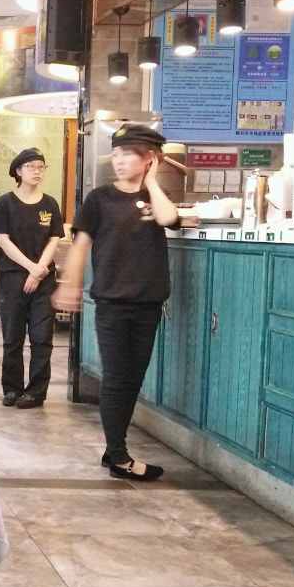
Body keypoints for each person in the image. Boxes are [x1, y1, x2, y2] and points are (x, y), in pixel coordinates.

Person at [54, 123, 181, 481]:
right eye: (116, 154)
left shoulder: (154, 198)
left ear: (149, 159)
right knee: (116, 378)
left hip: (148, 303)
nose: (119, 161)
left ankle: (114, 450)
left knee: (132, 379)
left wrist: (152, 182)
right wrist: (69, 286)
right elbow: (80, 246)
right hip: (112, 303)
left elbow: (170, 219)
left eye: (128, 154)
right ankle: (120, 457)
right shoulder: (99, 199)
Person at [0, 148, 64, 409]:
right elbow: (3, 240)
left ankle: (36, 392)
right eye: (31, 166)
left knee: (42, 338)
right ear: (18, 171)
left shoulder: (50, 204)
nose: (37, 171)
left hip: (44, 280)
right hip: (13, 278)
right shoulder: (5, 203)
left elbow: (54, 239)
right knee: (13, 337)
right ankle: (12, 388)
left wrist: (40, 270)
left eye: (41, 167)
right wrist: (31, 268)